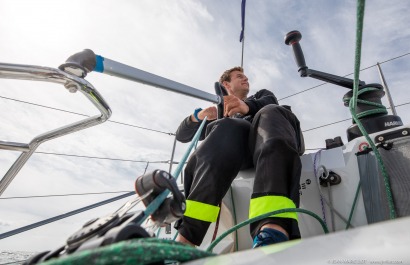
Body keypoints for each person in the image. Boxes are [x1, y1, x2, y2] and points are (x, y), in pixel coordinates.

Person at [175, 66, 305, 248]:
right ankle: (185, 241)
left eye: (246, 77)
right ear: (225, 84)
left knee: (271, 111)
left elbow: (270, 101)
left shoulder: (261, 96)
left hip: (274, 138)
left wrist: (247, 107)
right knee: (227, 127)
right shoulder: (220, 114)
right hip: (236, 153)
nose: (246, 79)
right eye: (239, 76)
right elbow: (182, 135)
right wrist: (200, 116)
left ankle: (273, 229)